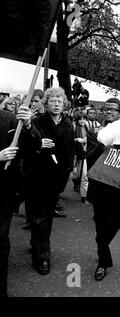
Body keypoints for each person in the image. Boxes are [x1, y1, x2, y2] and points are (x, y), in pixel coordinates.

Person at [25, 87, 74, 275]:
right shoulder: (36, 122)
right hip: (36, 175)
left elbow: (70, 153)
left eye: (59, 101)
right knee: (38, 216)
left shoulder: (68, 125)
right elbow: (25, 147)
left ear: (64, 105)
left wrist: (68, 172)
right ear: (46, 104)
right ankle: (42, 255)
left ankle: (39, 248)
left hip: (56, 177)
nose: (56, 104)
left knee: (45, 217)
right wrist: (38, 144)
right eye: (52, 101)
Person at [87, 97, 120, 281]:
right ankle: (103, 262)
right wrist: (103, 146)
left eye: (113, 109)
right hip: (99, 185)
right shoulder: (95, 132)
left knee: (118, 220)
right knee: (101, 223)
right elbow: (88, 156)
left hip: (119, 186)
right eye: (106, 109)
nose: (109, 112)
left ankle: (101, 242)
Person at [0, 106, 40, 297]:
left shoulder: (9, 119)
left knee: (1, 240)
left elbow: (33, 149)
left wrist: (28, 125)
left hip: (3, 191)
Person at [73, 110, 89, 203]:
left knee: (84, 175)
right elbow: (70, 139)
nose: (82, 121)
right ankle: (75, 182)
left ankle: (84, 196)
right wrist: (77, 139)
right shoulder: (74, 127)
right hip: (77, 154)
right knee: (76, 173)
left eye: (83, 119)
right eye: (80, 119)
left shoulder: (87, 127)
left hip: (85, 154)